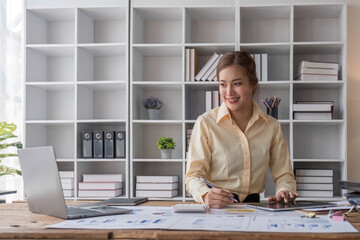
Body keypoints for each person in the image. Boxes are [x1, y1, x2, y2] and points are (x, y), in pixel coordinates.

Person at [185, 50, 299, 208]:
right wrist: (205, 195)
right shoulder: (205, 123)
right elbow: (193, 176)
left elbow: (284, 174)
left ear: (253, 85)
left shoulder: (271, 126)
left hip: (255, 207)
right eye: (223, 84)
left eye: (237, 83)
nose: (229, 92)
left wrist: (285, 190)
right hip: (217, 207)